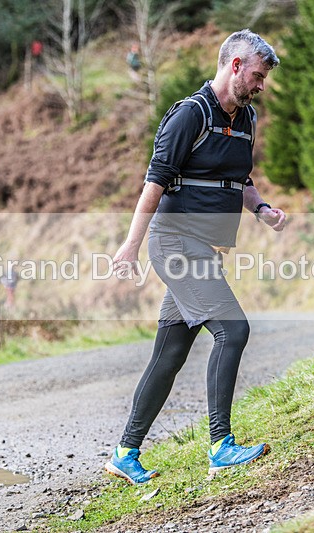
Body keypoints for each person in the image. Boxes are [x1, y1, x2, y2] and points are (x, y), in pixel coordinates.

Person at [105, 29, 286, 485]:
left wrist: (261, 209)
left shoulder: (246, 119)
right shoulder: (190, 114)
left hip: (205, 248)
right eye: (259, 76)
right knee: (233, 329)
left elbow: (240, 179)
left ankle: (125, 452)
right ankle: (221, 445)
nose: (262, 86)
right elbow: (156, 182)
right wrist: (130, 244)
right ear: (236, 66)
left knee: (170, 352)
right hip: (175, 243)